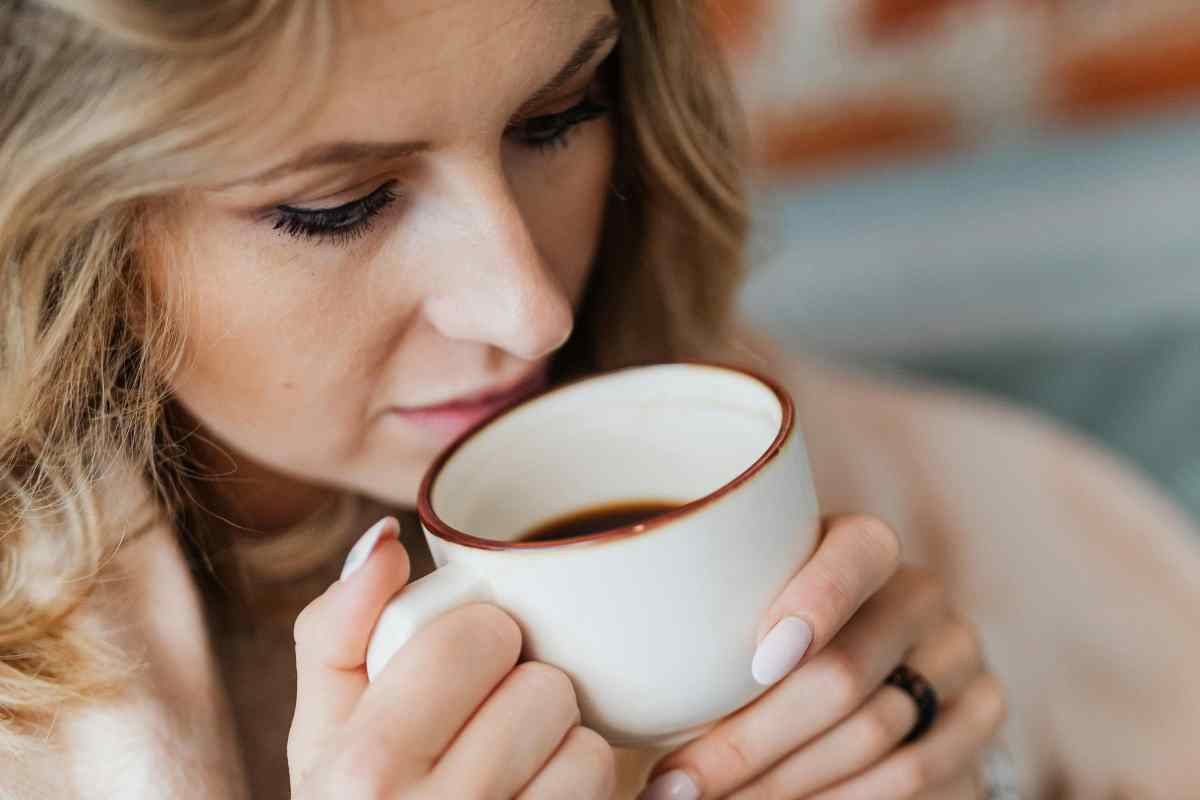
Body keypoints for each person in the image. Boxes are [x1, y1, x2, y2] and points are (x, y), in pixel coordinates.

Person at [1, 2, 1197, 798]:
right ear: (62, 230)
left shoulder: (817, 466)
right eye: (339, 205)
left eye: (557, 115)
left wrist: (962, 757)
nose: (530, 312)